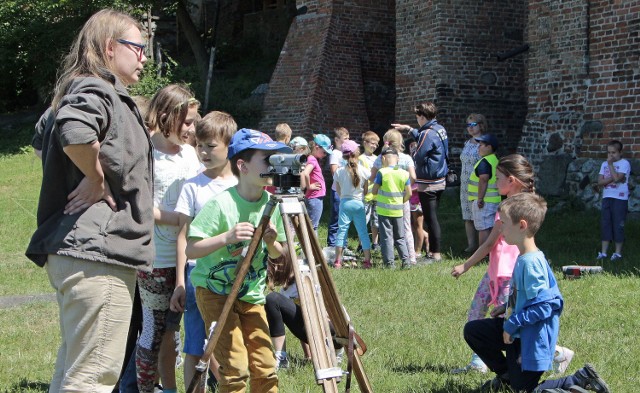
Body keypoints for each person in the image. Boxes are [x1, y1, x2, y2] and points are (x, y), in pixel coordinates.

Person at [25, 9, 154, 392]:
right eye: (139, 48)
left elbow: (40, 143)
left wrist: (79, 173)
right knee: (93, 377)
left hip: (79, 251)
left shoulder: (74, 90)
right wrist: (95, 178)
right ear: (110, 47)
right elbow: (76, 133)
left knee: (74, 372)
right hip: (97, 253)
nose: (144, 58)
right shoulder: (98, 88)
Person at [463, 193, 610, 393]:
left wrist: (512, 323)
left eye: (504, 223)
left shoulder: (531, 263)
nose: (500, 228)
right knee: (474, 331)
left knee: (525, 391)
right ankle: (507, 376)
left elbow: (546, 305)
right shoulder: (525, 257)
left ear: (521, 225)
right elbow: (528, 297)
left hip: (531, 339)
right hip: (519, 331)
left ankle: (580, 378)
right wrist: (507, 308)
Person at [186, 128, 292, 392]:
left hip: (251, 294)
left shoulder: (272, 202)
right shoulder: (221, 204)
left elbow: (278, 254)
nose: (273, 166)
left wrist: (271, 242)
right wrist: (226, 237)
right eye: (267, 160)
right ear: (243, 166)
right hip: (214, 292)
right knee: (235, 368)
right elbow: (191, 249)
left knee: (266, 367)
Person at [452, 154, 574, 375]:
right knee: (477, 311)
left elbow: (489, 244)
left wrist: (466, 265)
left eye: (498, 177)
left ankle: (555, 352)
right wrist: (469, 266)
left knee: (506, 323)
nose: (494, 182)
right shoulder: (508, 207)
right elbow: (491, 245)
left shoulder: (517, 210)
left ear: (512, 181)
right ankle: (479, 361)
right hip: (493, 273)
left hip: (509, 277)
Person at [135, 84, 201, 393]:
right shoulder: (145, 151)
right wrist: (171, 218)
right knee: (154, 332)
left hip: (190, 257)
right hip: (155, 257)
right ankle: (145, 388)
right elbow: (133, 202)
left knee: (176, 331)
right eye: (186, 122)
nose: (191, 129)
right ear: (165, 118)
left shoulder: (191, 154)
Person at [171, 111, 238, 392]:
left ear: (230, 146)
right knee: (195, 347)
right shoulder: (192, 187)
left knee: (232, 349)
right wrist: (179, 282)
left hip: (237, 280)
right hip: (198, 279)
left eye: (211, 146)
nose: (203, 151)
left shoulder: (242, 186)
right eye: (199, 145)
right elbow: (183, 236)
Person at [392, 101, 448, 261]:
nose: (417, 119)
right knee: (432, 216)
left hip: (428, 182)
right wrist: (409, 129)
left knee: (431, 219)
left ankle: (435, 254)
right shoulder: (439, 129)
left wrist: (410, 157)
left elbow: (419, 154)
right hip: (439, 179)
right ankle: (433, 252)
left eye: (417, 116)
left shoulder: (427, 134)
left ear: (422, 117)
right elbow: (426, 139)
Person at [369, 130, 417, 265]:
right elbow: (413, 177)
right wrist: (405, 189)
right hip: (402, 199)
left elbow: (372, 178)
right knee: (406, 228)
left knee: (387, 232)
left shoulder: (381, 158)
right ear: (400, 141)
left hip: (385, 203)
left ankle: (389, 261)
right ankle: (411, 257)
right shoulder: (406, 158)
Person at [333, 140, 372, 269]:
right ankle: (367, 261)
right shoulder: (364, 171)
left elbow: (337, 190)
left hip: (345, 203)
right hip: (358, 202)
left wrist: (343, 196)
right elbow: (365, 190)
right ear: (357, 152)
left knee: (342, 231)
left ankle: (338, 261)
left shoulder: (339, 172)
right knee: (363, 232)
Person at [596, 140, 630, 262]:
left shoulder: (624, 163)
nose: (611, 155)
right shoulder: (604, 164)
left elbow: (617, 180)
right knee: (606, 223)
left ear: (620, 152)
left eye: (614, 152)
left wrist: (611, 168)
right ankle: (604, 252)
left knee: (618, 224)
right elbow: (600, 182)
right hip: (607, 197)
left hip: (620, 198)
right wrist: (614, 178)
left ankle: (617, 253)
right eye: (609, 152)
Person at [469, 134, 500, 248]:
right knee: (491, 227)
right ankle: (491, 252)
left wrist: (480, 198)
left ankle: (483, 254)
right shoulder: (495, 160)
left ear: (489, 147)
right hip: (494, 199)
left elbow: (483, 179)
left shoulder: (484, 162)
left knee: (483, 228)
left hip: (484, 201)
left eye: (481, 145)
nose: (478, 148)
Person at [460, 114, 485, 252]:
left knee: (479, 216)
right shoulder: (467, 143)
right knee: (468, 216)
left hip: (477, 184)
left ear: (481, 125)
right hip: (465, 185)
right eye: (468, 125)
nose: (469, 128)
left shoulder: (485, 144)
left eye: (473, 125)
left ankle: (483, 247)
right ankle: (471, 245)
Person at [301, 134, 332, 230]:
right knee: (313, 226)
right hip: (315, 197)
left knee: (312, 225)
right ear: (317, 148)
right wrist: (309, 186)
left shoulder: (313, 159)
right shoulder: (312, 160)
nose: (325, 155)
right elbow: (305, 173)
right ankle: (312, 245)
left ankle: (309, 245)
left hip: (314, 197)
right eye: (324, 152)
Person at [327, 127, 350, 247]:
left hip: (347, 191)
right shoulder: (335, 154)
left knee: (345, 219)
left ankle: (343, 244)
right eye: (345, 139)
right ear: (336, 140)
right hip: (337, 190)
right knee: (336, 218)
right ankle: (332, 244)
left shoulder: (346, 153)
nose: (347, 141)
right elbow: (334, 171)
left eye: (348, 138)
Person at [358, 131, 380, 250]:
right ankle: (361, 244)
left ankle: (375, 243)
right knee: (363, 220)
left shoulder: (377, 159)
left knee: (375, 221)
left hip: (376, 195)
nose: (374, 146)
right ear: (365, 143)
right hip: (365, 194)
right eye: (372, 143)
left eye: (376, 144)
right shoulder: (361, 158)